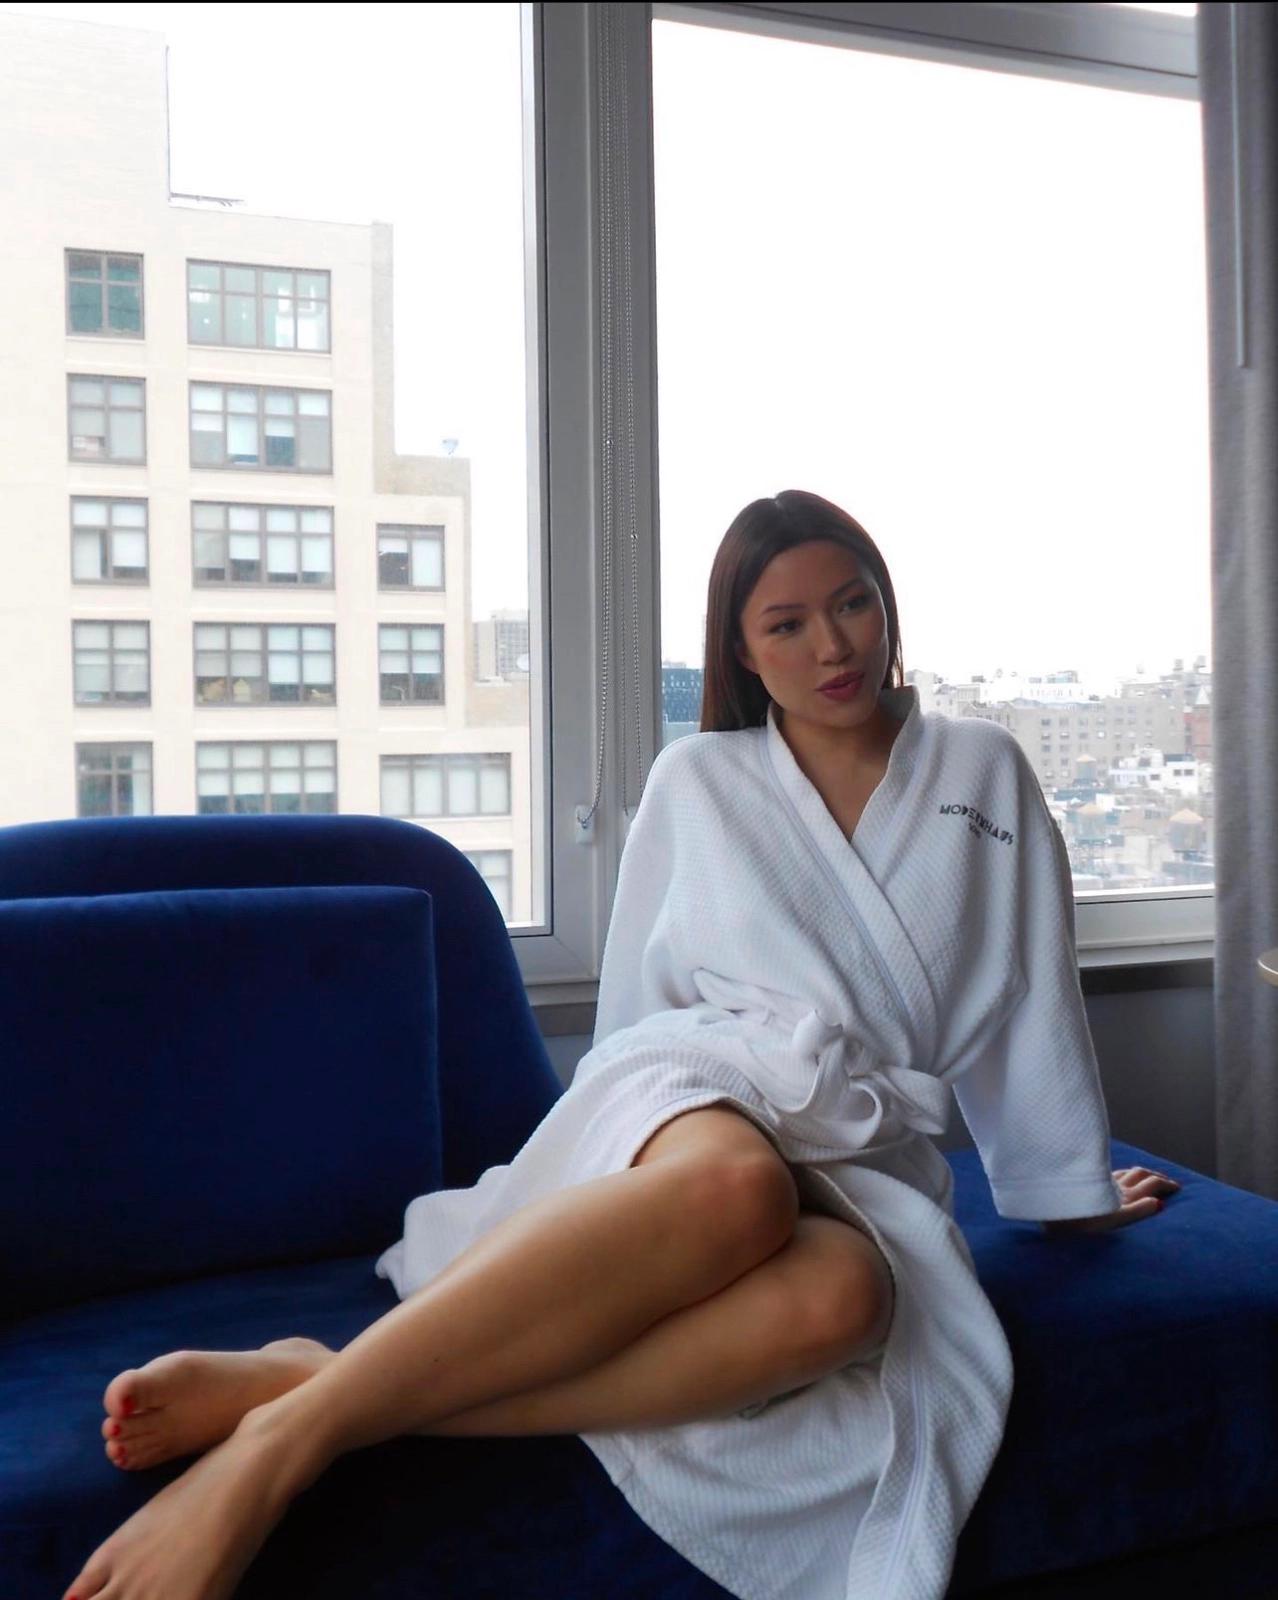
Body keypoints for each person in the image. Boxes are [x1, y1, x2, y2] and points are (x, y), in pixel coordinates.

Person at [64, 490, 1181, 1600]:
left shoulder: (982, 769)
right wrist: (628, 1163)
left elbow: (1032, 980)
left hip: (858, 1130)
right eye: (786, 623)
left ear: (886, 606)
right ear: (741, 649)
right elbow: (639, 1013)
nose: (833, 646)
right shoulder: (698, 778)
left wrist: (1065, 1187)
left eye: (853, 604)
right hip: (701, 1079)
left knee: (848, 1302)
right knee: (739, 1190)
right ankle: (274, 1454)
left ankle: (317, 1389)